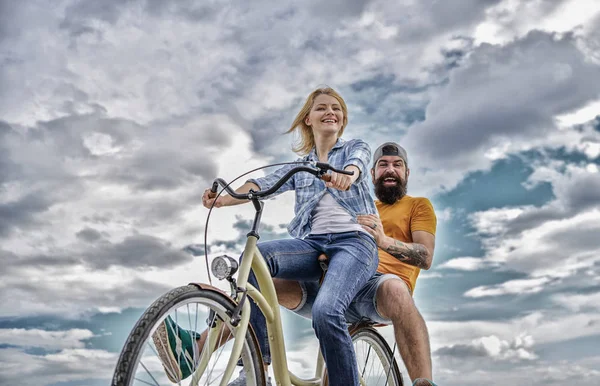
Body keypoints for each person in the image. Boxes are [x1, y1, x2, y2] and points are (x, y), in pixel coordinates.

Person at [152, 87, 379, 386]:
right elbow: (261, 183)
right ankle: (258, 370)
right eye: (322, 108)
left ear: (343, 119)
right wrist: (224, 198)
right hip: (313, 243)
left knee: (326, 312)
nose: (330, 113)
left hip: (354, 242)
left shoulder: (353, 149)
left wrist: (346, 174)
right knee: (256, 260)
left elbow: (359, 163)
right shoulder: (301, 167)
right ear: (308, 119)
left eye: (336, 109)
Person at [274, 142, 438, 386]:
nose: (390, 169)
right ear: (371, 174)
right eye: (382, 165)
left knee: (395, 289)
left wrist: (382, 240)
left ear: (406, 173)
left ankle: (424, 382)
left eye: (397, 165)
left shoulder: (418, 205)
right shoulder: (354, 204)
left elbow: (425, 257)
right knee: (264, 282)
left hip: (377, 290)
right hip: (335, 281)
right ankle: (215, 352)